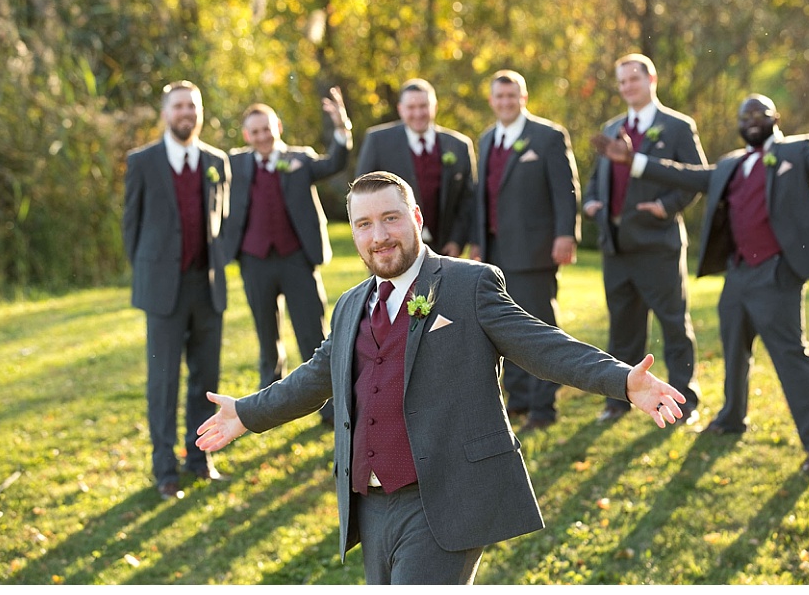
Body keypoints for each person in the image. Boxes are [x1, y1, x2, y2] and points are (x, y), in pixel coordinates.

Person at [195, 171, 686, 585]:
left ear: (416, 220)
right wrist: (247, 413)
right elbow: (315, 377)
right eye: (364, 224)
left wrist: (622, 380)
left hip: (446, 497)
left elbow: (542, 346)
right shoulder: (349, 305)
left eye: (390, 218)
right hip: (370, 505)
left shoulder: (468, 285)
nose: (379, 235)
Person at [605, 90, 809, 475]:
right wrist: (634, 160)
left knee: (791, 357)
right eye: (744, 118)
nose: (751, 122)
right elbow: (688, 176)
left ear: (775, 119)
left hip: (777, 274)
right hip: (738, 274)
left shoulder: (797, 151)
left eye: (759, 115)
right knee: (733, 352)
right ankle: (731, 418)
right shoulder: (730, 165)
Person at [581, 51, 708, 423]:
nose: (627, 87)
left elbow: (695, 178)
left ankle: (685, 404)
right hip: (615, 245)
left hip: (658, 244)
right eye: (621, 81)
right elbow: (595, 179)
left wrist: (666, 207)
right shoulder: (611, 128)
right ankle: (617, 400)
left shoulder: (677, 127)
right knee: (622, 328)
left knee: (673, 325)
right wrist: (591, 202)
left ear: (651, 80)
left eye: (633, 79)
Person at [122, 79, 232, 498]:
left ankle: (199, 457)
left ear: (200, 113)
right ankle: (164, 467)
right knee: (163, 380)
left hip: (207, 287)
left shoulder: (217, 161)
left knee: (206, 378)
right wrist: (149, 271)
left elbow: (221, 219)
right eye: (179, 106)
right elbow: (131, 226)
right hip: (163, 291)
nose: (186, 112)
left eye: (193, 106)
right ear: (166, 113)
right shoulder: (143, 162)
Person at [219, 89, 352, 428]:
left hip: (296, 258)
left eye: (267, 129)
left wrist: (341, 127)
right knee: (267, 336)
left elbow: (334, 162)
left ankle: (328, 407)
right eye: (255, 131)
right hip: (254, 260)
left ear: (277, 126)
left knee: (312, 333)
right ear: (247, 136)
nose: (263, 136)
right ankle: (268, 405)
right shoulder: (234, 163)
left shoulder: (300, 158)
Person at [471, 70, 580, 430]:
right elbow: (483, 197)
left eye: (512, 96)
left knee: (539, 329)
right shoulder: (487, 140)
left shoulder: (547, 136)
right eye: (499, 97)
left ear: (524, 97)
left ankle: (543, 408)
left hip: (535, 250)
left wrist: (566, 234)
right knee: (503, 327)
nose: (505, 102)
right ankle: (516, 400)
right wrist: (477, 243)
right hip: (494, 252)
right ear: (492, 100)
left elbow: (565, 190)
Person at [357, 78, 478, 257]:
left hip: (445, 249)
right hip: (392, 247)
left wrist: (457, 241)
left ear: (434, 107)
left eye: (423, 106)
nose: (418, 113)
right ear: (400, 109)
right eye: (411, 108)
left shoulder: (459, 145)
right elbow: (363, 195)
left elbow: (467, 200)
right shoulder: (377, 142)